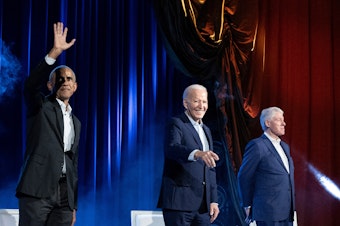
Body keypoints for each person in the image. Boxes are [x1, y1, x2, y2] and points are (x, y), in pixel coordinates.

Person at [16, 22, 80, 226]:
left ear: (75, 86)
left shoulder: (76, 121)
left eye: (69, 79)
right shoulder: (41, 106)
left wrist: (73, 204)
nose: (65, 82)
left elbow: (73, 163)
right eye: (59, 79)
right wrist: (54, 53)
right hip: (37, 189)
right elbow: (29, 85)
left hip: (64, 195)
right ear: (50, 85)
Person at [157, 84, 220, 226]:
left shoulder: (206, 130)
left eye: (204, 102)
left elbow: (210, 168)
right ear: (186, 103)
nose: (201, 106)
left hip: (203, 206)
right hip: (179, 204)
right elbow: (172, 148)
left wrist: (213, 200)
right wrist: (197, 153)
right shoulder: (176, 123)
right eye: (196, 101)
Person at [237, 107, 296, 226]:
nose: (284, 123)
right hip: (267, 212)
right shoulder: (257, 145)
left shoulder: (285, 147)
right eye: (279, 120)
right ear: (267, 123)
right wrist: (247, 204)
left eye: (283, 120)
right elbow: (244, 176)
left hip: (287, 212)